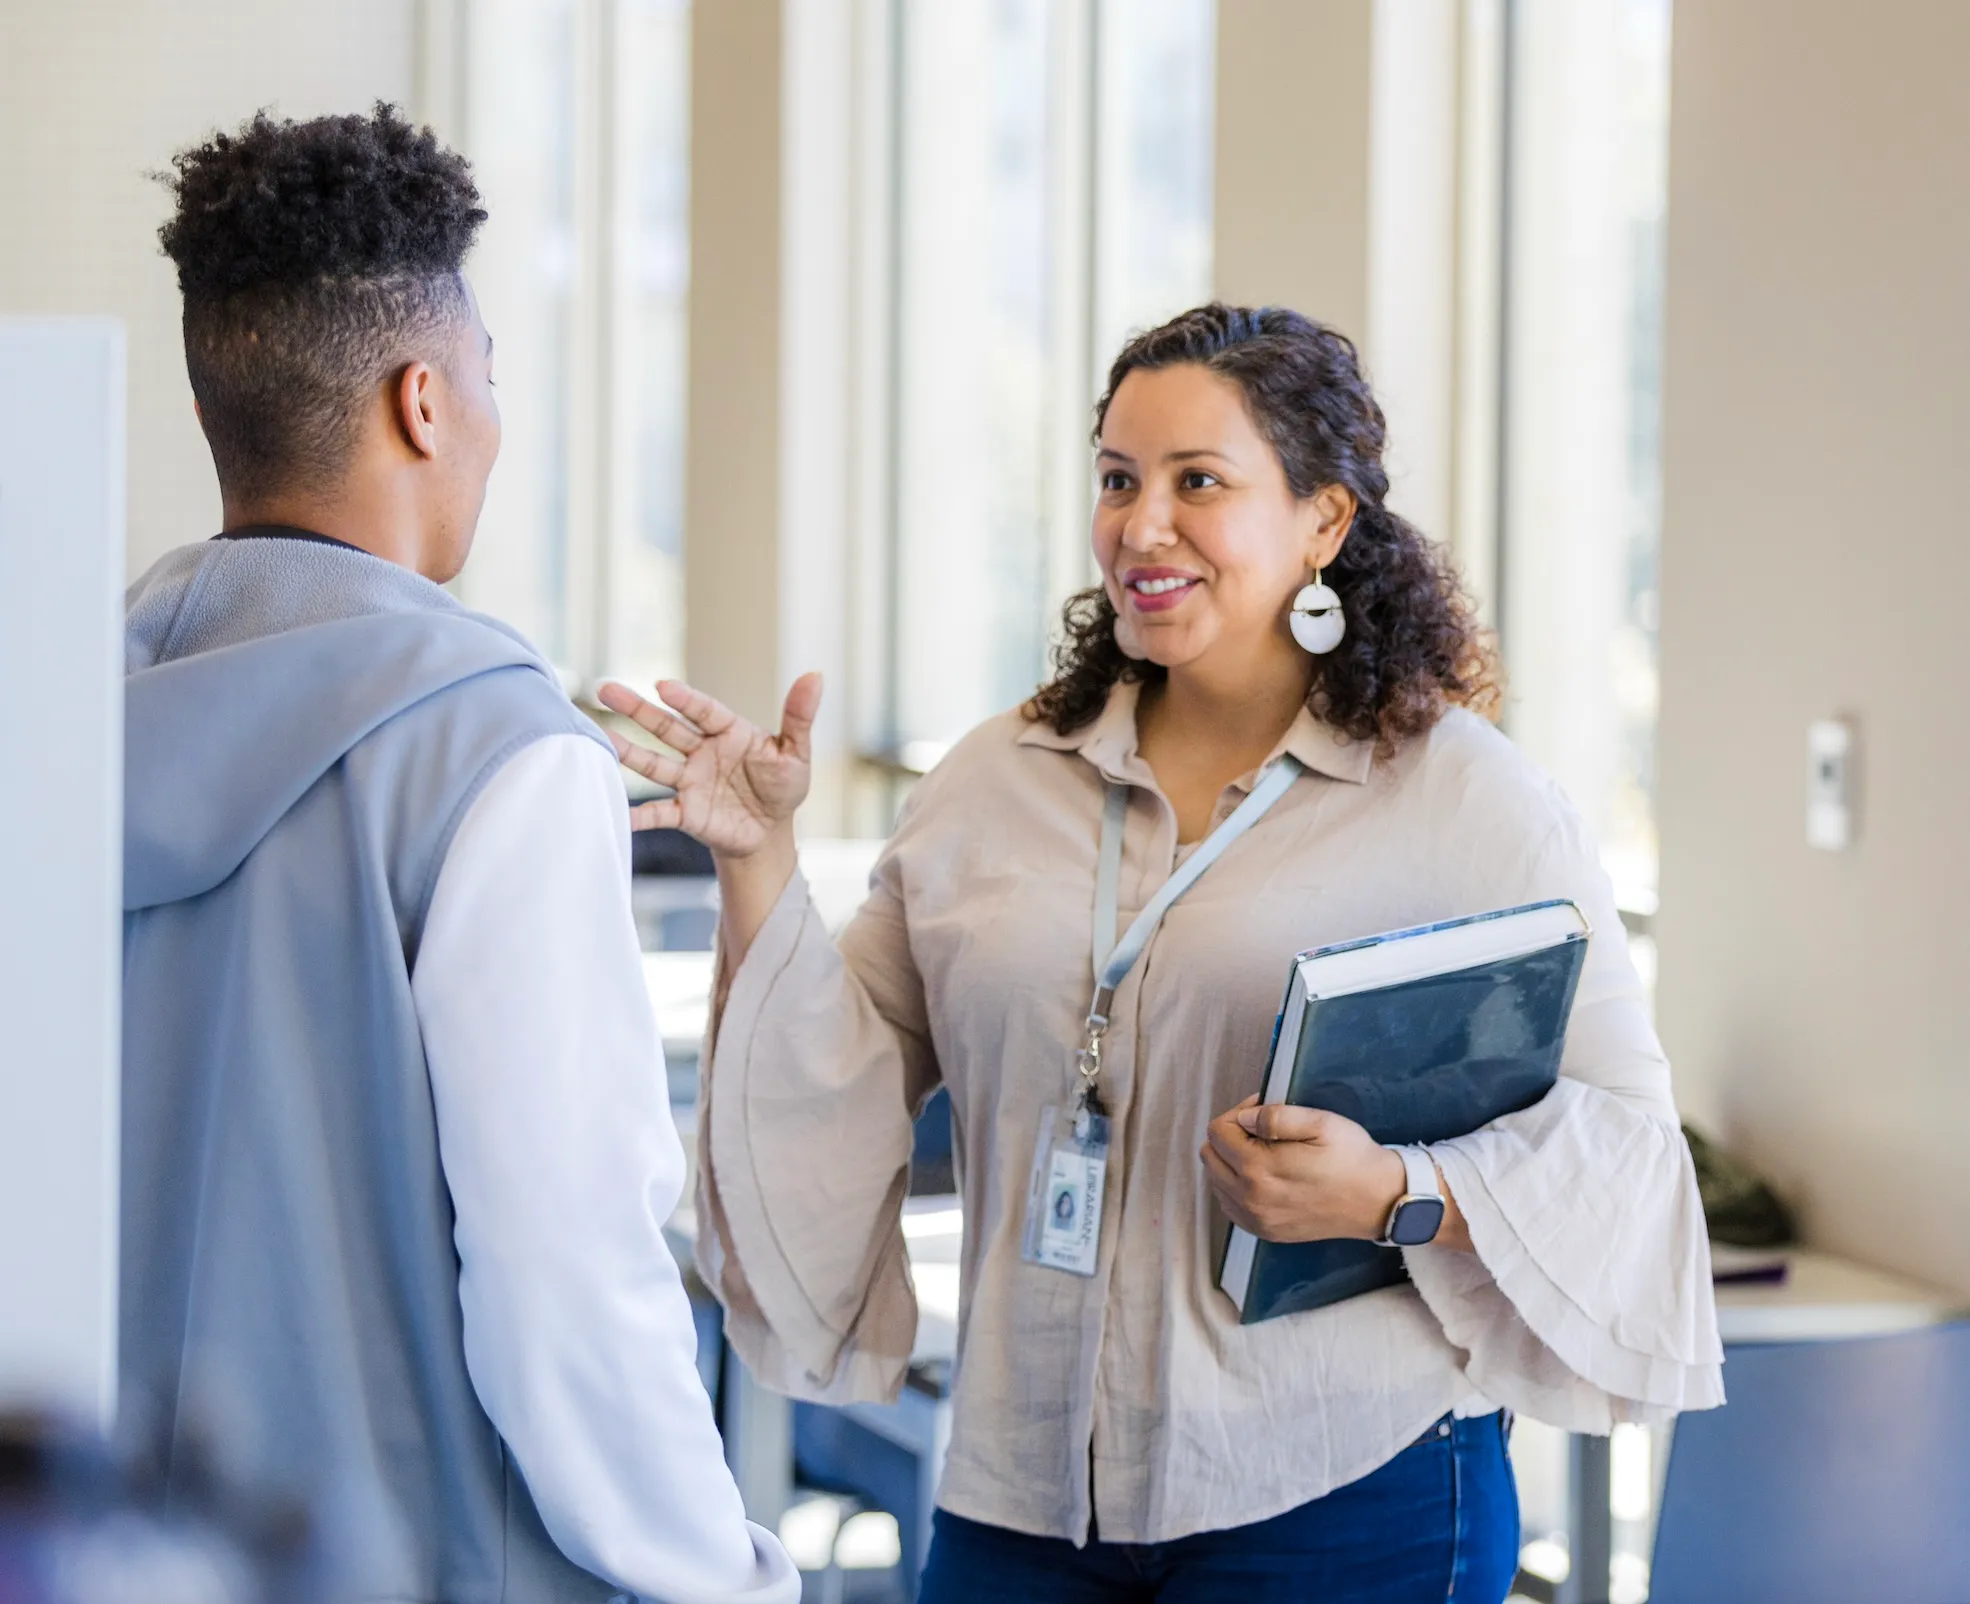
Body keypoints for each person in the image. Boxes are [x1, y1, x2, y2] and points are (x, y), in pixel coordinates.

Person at [601, 306, 1722, 1603]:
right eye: (1118, 480)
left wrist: (1397, 1192)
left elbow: (1632, 1157)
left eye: (1200, 483)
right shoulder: (993, 779)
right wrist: (757, 864)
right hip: (1016, 1495)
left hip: (1340, 1497)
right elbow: (834, 1080)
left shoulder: (1463, 800)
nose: (1142, 526)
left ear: (1322, 522)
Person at [121, 105, 797, 1604]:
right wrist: (714, 1573)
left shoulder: (66, 722)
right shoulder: (493, 751)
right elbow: (567, 1276)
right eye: (490, 378)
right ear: (423, 402)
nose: (493, 417)